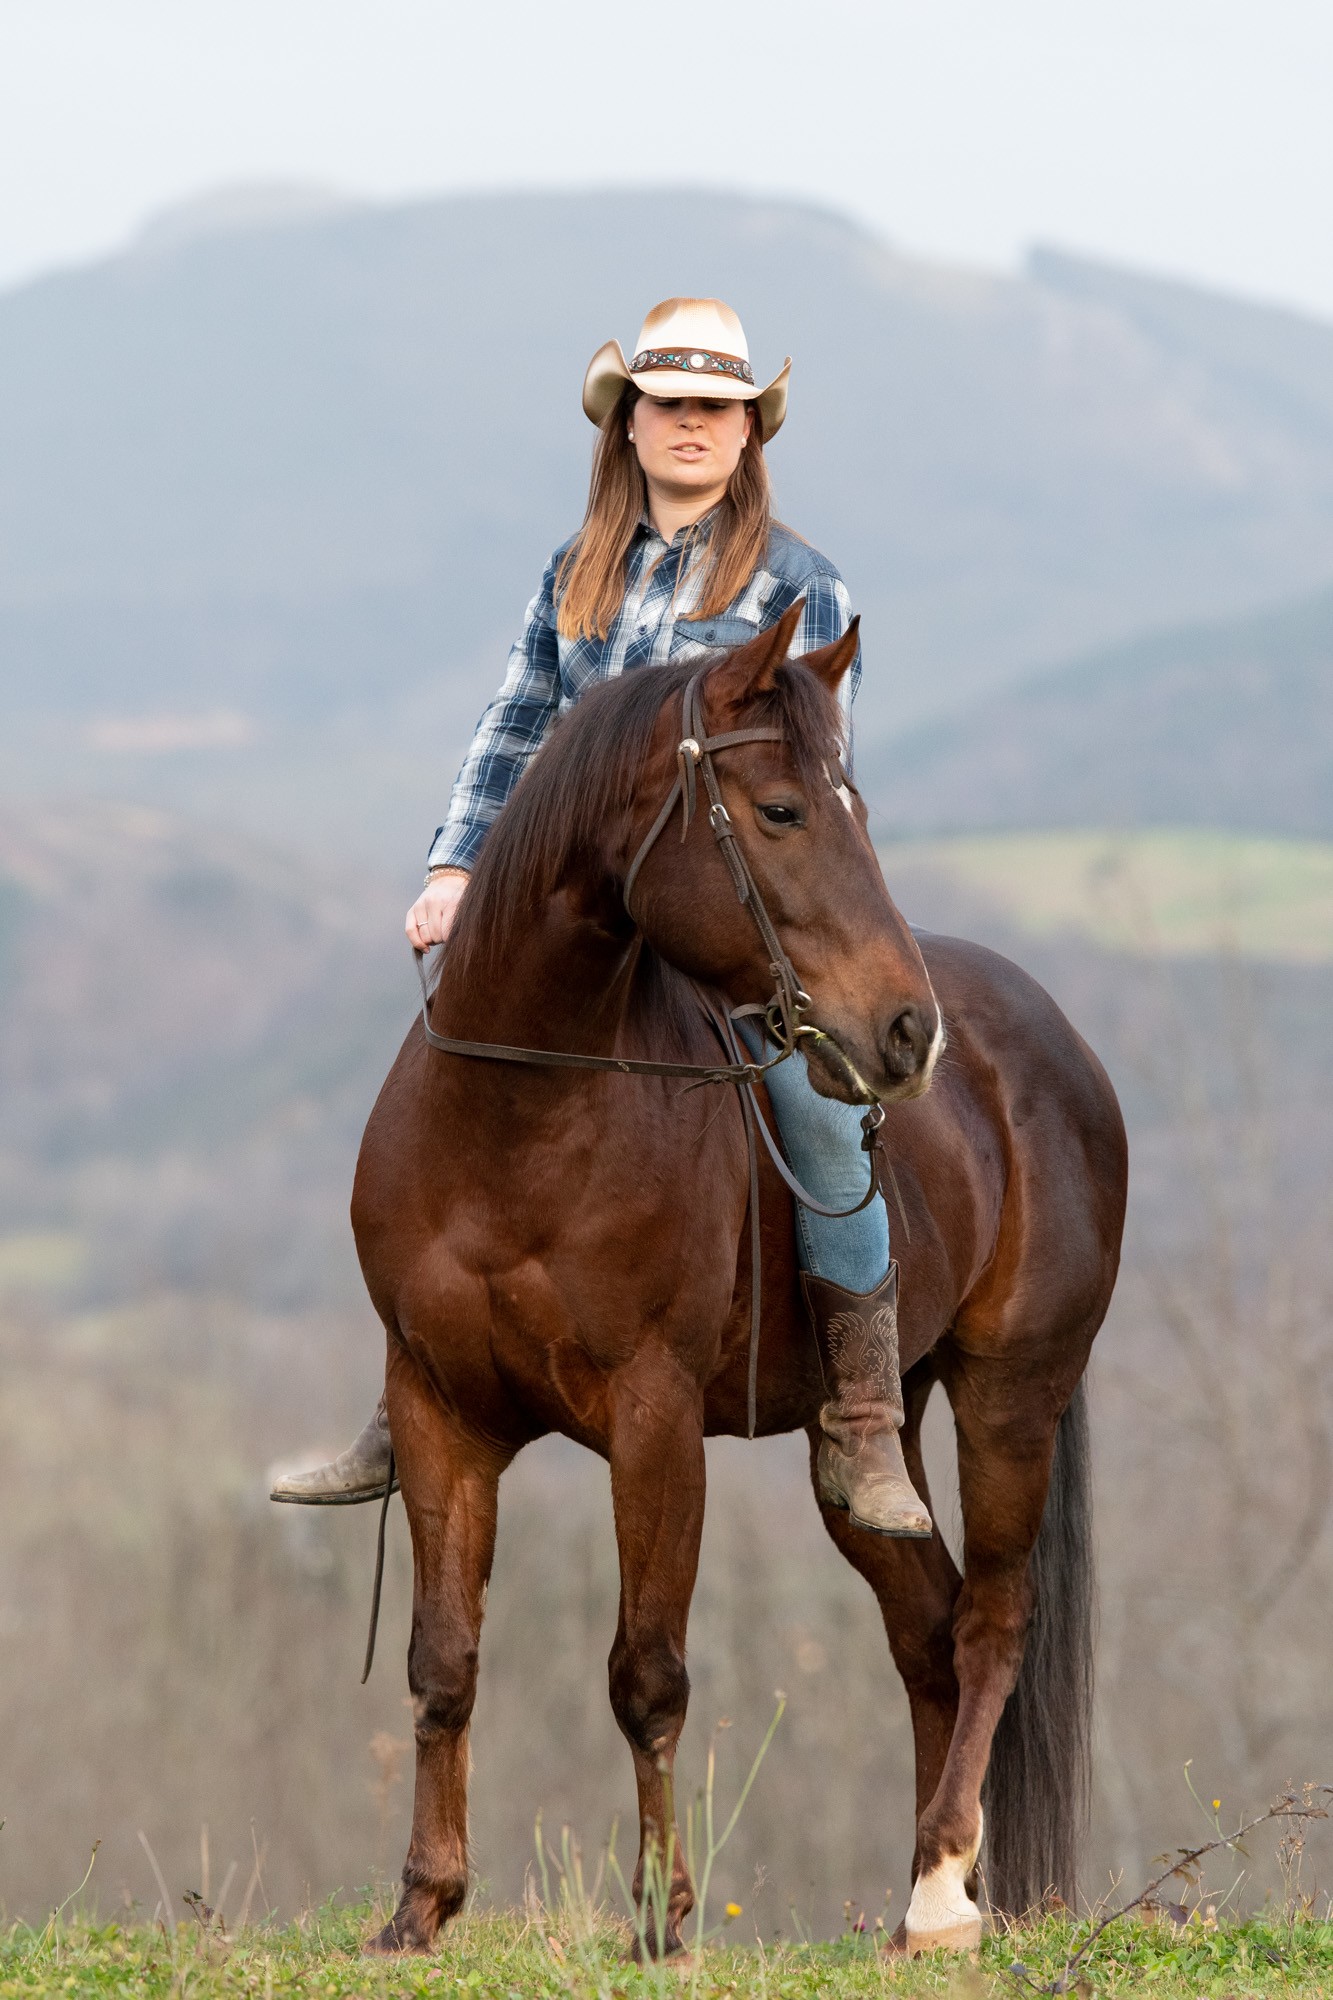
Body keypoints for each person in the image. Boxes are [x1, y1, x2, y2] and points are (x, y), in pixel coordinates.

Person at [271, 298, 932, 1539]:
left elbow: (819, 782)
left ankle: (862, 1411)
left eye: (716, 409)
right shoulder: (577, 572)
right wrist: (457, 865)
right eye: (669, 403)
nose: (692, 425)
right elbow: (518, 720)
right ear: (628, 424)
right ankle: (413, 1376)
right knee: (448, 1094)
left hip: (727, 912)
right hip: (580, 921)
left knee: (824, 1114)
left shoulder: (802, 584)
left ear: (747, 433)